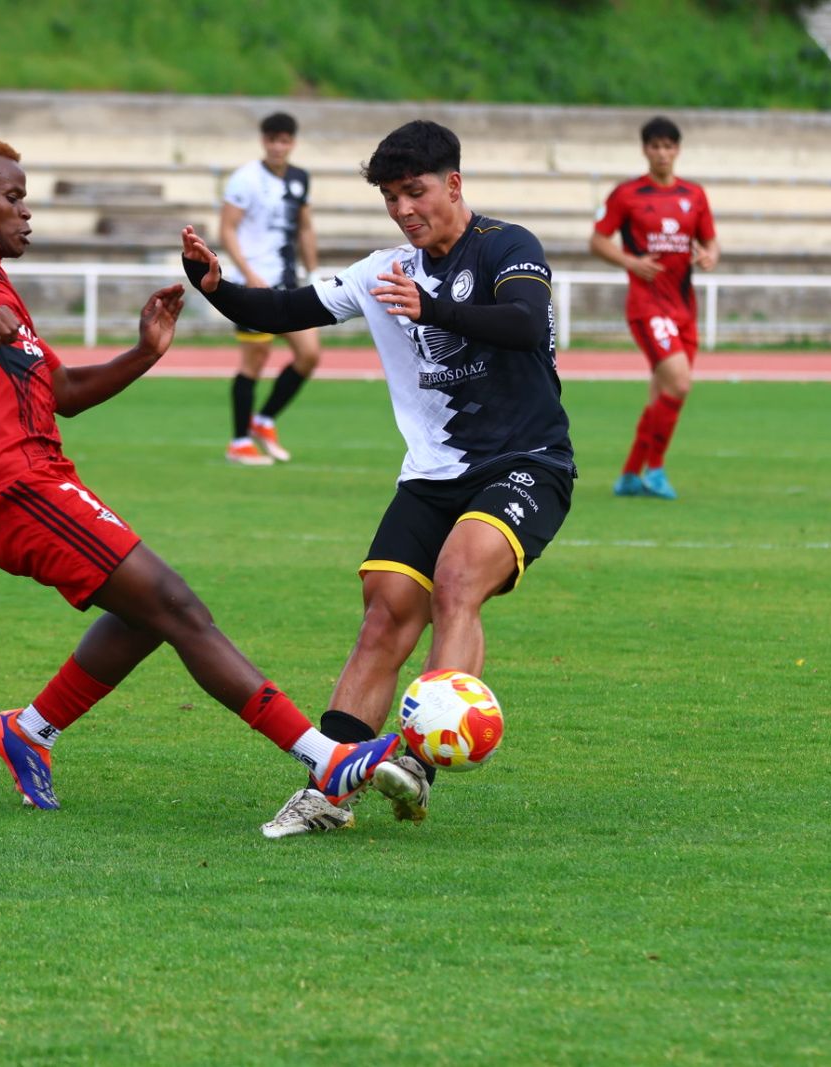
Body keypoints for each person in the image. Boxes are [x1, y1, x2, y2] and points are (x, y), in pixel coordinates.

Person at [0, 134, 397, 814]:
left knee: (145, 614)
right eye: (13, 197)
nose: (26, 212)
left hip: (37, 474)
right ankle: (326, 757)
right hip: (7, 483)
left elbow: (64, 390)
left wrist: (144, 351)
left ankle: (29, 729)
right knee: (177, 603)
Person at [179, 119, 576, 838]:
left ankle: (420, 762)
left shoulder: (508, 247)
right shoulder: (382, 270)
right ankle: (329, 788)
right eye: (391, 197)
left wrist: (434, 309)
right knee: (385, 612)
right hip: (432, 475)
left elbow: (524, 321)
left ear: (453, 184)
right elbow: (287, 308)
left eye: (414, 191)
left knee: (457, 577)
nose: (403, 209)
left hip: (526, 461)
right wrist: (217, 287)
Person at [589, 115, 719, 500]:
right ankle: (657, 469)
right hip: (648, 306)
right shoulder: (627, 194)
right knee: (679, 384)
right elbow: (597, 240)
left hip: (684, 308)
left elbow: (711, 242)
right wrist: (631, 262)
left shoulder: (694, 195)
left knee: (661, 395)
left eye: (668, 146)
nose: (662, 153)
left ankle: (630, 476)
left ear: (677, 150)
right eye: (655, 146)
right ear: (645, 150)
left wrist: (710, 256)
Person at [217, 112, 321, 465]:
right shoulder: (245, 179)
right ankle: (239, 440)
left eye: (285, 140)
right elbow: (227, 228)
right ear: (264, 141)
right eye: (273, 139)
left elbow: (304, 225)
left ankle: (264, 420)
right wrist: (246, 273)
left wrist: (313, 267)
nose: (279, 146)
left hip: (288, 283)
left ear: (292, 143)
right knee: (254, 360)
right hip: (255, 284)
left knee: (309, 354)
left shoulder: (299, 178)